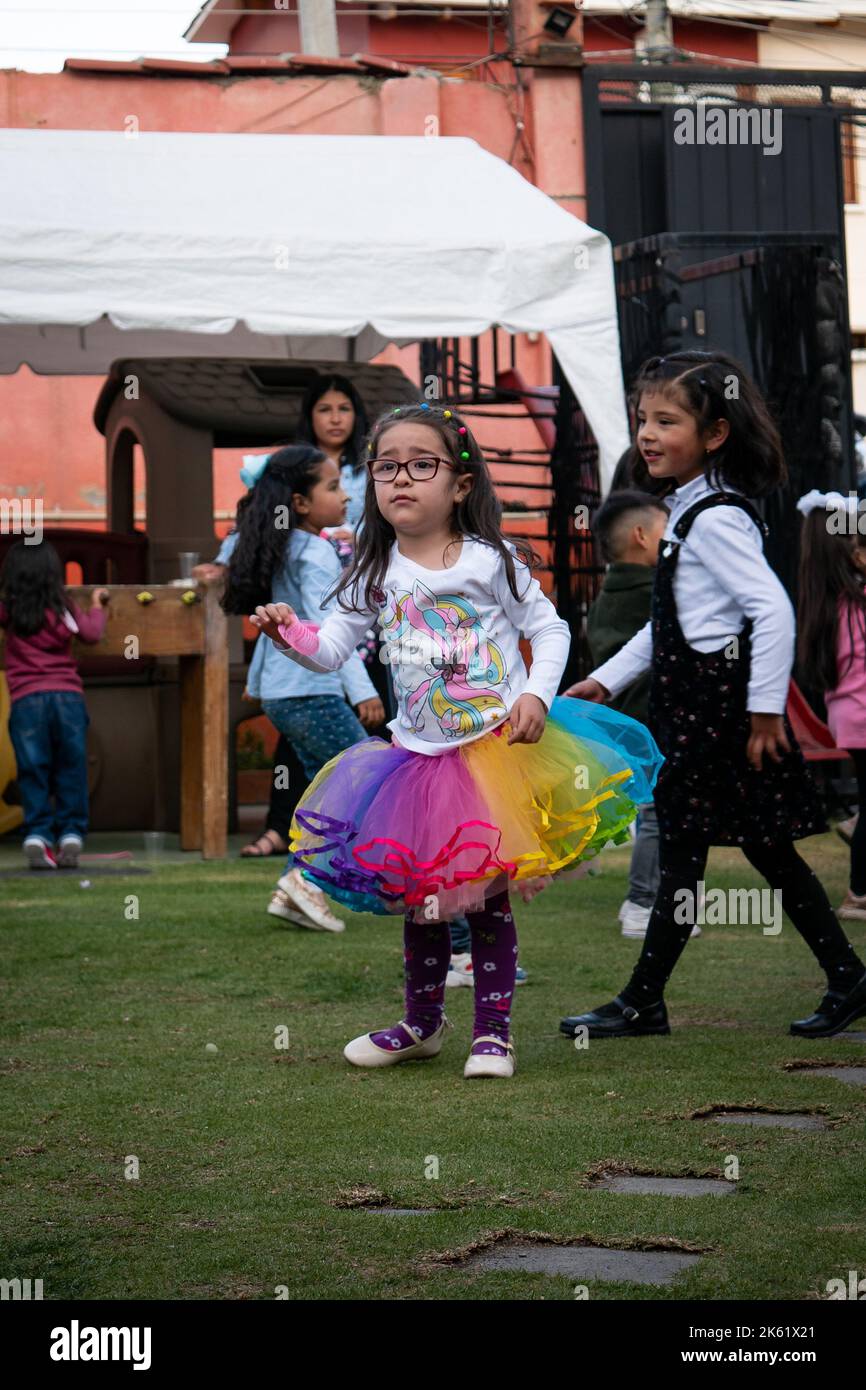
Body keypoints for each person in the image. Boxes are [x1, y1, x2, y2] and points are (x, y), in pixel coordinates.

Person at [251, 402, 662, 1078]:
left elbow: (552, 629)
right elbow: (331, 650)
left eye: (421, 465)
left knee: (488, 899)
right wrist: (289, 633)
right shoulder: (370, 570)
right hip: (413, 762)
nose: (401, 480)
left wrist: (534, 693)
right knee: (426, 902)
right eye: (386, 467)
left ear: (461, 484)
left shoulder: (490, 560)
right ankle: (421, 1024)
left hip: (496, 756)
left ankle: (493, 1035)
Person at [560, 350, 866, 1042]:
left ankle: (842, 977)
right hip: (698, 717)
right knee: (701, 857)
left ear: (716, 433)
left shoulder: (716, 518)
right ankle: (649, 999)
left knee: (748, 854)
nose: (646, 433)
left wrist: (763, 711)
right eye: (643, 419)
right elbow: (668, 623)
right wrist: (608, 677)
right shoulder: (687, 511)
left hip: (722, 720)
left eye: (666, 420)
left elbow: (772, 610)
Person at [221, 445, 385, 932]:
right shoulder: (314, 553)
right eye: (333, 488)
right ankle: (308, 881)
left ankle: (299, 883)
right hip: (314, 690)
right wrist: (363, 693)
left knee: (329, 789)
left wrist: (258, 686)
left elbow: (275, 630)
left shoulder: (282, 547)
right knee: (365, 781)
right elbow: (333, 633)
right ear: (300, 502)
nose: (346, 497)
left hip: (284, 693)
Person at [587, 488, 702, 940]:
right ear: (640, 536)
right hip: (651, 725)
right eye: (665, 533)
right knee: (656, 817)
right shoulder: (652, 595)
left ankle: (655, 901)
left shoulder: (608, 595)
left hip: (630, 727)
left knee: (657, 815)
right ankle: (641, 903)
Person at [0, 540, 108, 870]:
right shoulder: (64, 607)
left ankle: (38, 835)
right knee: (71, 768)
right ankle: (71, 833)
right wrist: (98, 605)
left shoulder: (9, 611)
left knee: (33, 770)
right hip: (67, 700)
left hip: (26, 702)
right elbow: (91, 634)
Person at [796, 488, 866, 921]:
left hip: (849, 716)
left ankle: (856, 825)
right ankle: (858, 894)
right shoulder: (857, 602)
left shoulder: (824, 602)